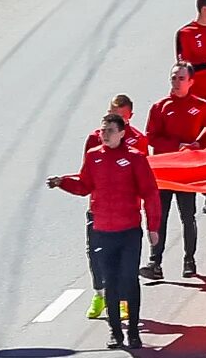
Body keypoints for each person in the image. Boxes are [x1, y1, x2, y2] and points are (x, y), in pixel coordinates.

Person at [50, 113, 158, 351]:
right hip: (103, 230)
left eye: (110, 130)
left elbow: (150, 192)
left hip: (129, 230)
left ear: (121, 133)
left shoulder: (135, 158)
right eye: (103, 130)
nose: (105, 134)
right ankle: (115, 332)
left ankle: (133, 333)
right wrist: (63, 182)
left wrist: (153, 227)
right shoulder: (93, 156)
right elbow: (84, 186)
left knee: (129, 280)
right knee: (110, 281)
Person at [144, 68, 206, 279]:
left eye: (181, 78)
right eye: (174, 78)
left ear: (191, 82)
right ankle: (155, 262)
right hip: (164, 172)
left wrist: (200, 145)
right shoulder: (160, 107)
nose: (176, 82)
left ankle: (189, 260)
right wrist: (177, 145)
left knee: (188, 216)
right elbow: (151, 137)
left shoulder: (200, 106)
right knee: (160, 218)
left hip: (186, 171)